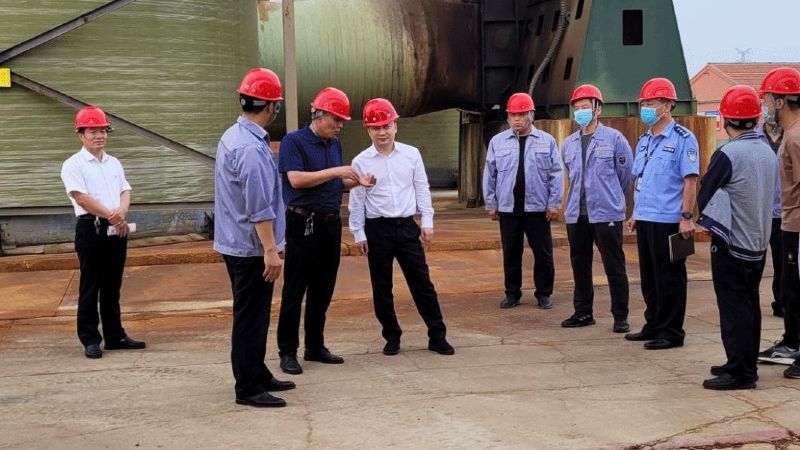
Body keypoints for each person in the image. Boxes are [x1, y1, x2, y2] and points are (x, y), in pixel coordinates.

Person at [277, 87, 375, 375]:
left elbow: (335, 183)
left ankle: (315, 345)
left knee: (323, 287)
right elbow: (296, 180)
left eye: (342, 121)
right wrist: (337, 171)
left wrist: (357, 182)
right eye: (336, 119)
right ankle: (287, 351)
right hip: (303, 223)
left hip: (330, 224)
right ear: (318, 115)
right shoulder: (294, 142)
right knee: (295, 288)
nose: (340, 125)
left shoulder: (334, 144)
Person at [214, 68, 295, 407]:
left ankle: (257, 371)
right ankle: (248, 387)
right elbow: (259, 207)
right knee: (250, 318)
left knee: (256, 315)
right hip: (250, 248)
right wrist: (271, 250)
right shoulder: (250, 148)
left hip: (237, 242)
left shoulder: (234, 136)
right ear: (272, 107)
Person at [348, 98, 454, 356]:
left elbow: (422, 188)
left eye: (386, 126)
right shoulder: (360, 161)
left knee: (422, 283)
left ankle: (437, 335)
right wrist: (358, 232)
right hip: (377, 229)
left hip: (406, 227)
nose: (382, 132)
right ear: (368, 130)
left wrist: (427, 221)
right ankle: (392, 336)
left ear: (395, 126)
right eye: (376, 128)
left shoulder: (411, 154)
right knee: (382, 287)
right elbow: (357, 199)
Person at [697, 85, 777, 390]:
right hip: (758, 241)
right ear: (756, 117)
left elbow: (705, 192)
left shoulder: (728, 154)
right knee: (749, 305)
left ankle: (740, 373)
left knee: (734, 309)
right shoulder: (767, 150)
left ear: (726, 119)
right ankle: (743, 362)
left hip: (732, 243)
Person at [60, 105, 146, 359]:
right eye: (93, 131)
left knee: (112, 284)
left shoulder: (113, 163)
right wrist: (111, 215)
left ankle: (115, 335)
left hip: (116, 227)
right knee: (91, 284)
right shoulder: (73, 164)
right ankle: (90, 338)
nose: (99, 136)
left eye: (103, 131)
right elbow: (81, 197)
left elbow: (125, 190)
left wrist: (121, 211)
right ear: (81, 134)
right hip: (92, 227)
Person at [624, 77, 699, 350]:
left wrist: (686, 217)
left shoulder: (683, 139)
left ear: (667, 105)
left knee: (670, 278)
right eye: (643, 103)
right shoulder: (644, 140)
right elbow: (641, 179)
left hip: (669, 220)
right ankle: (653, 324)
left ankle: (671, 331)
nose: (645, 107)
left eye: (651, 102)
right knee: (649, 277)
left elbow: (690, 181)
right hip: (646, 218)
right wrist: (636, 213)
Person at [559, 84, 634, 333]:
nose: (580, 112)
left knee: (614, 266)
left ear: (597, 109)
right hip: (577, 214)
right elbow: (570, 175)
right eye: (577, 108)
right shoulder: (568, 144)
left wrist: (610, 197)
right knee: (580, 265)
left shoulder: (614, 139)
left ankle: (620, 315)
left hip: (606, 213)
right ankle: (583, 312)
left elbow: (625, 174)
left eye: (585, 107)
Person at [482, 92, 563, 310]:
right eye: (513, 115)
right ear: (508, 117)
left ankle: (543, 293)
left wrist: (554, 203)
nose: (517, 119)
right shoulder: (498, 142)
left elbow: (556, 174)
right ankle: (512, 293)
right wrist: (491, 203)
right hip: (508, 209)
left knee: (543, 254)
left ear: (531, 115)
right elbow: (490, 173)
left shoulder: (547, 141)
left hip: (538, 208)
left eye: (521, 114)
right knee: (511, 254)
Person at [756, 67, 800, 379]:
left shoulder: (796, 138)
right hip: (788, 222)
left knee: (796, 289)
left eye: (768, 99)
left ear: (781, 101)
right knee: (789, 288)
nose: (765, 105)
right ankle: (792, 343)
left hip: (797, 225)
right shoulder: (789, 134)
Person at [756, 119, 784, 318]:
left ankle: (783, 301)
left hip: (785, 212)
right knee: (754, 260)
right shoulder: (753, 138)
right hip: (757, 212)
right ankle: (749, 302)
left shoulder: (793, 136)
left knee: (785, 262)